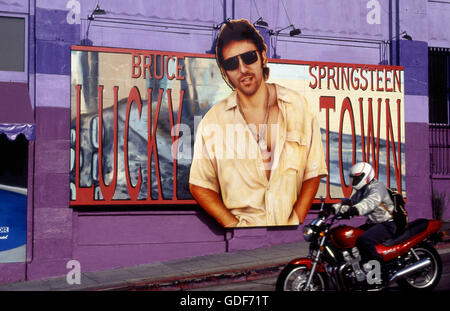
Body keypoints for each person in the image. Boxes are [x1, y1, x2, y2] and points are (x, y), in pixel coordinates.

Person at [188, 19, 327, 227]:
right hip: (242, 236)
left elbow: (313, 170)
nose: (243, 69)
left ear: (262, 57)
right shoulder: (213, 121)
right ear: (225, 73)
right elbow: (200, 184)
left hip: (290, 233)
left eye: (249, 57)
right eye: (232, 64)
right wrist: (234, 225)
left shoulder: (296, 104)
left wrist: (296, 218)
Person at [331, 162, 397, 265]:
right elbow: (351, 202)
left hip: (388, 224)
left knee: (365, 240)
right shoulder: (362, 191)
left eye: (356, 178)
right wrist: (333, 208)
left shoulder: (377, 188)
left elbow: (370, 202)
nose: (354, 181)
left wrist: (355, 210)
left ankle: (379, 269)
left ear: (366, 176)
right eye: (353, 178)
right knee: (353, 236)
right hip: (374, 224)